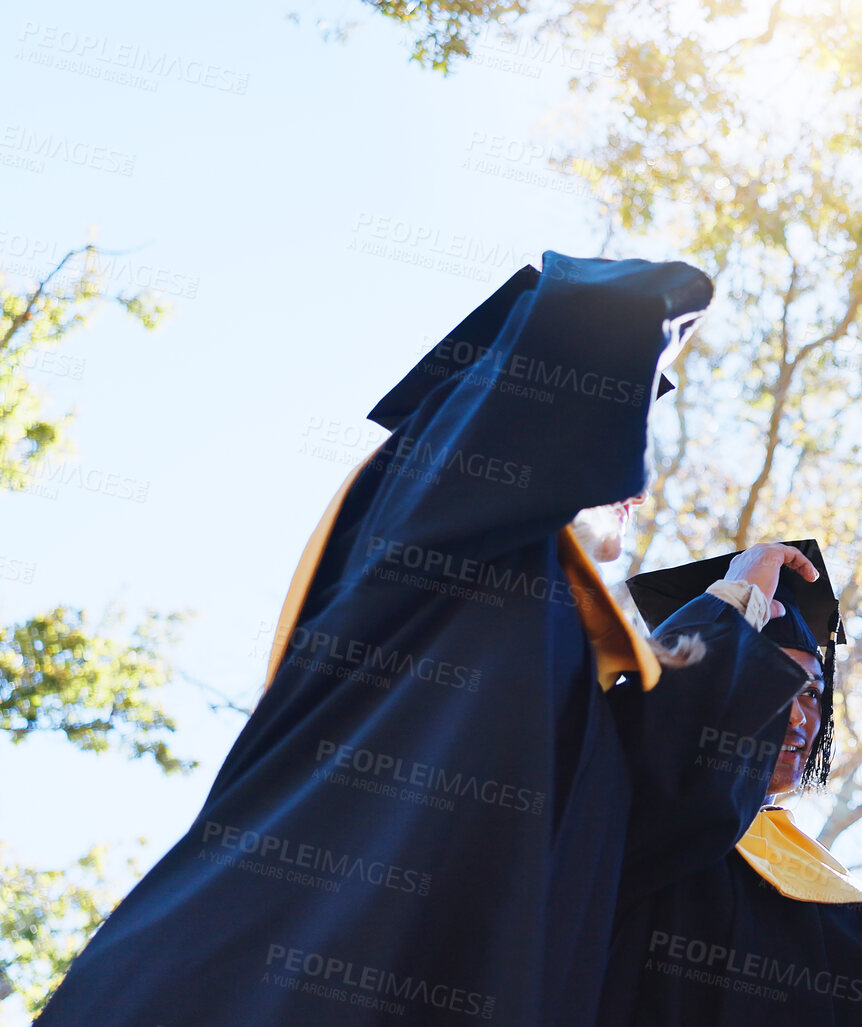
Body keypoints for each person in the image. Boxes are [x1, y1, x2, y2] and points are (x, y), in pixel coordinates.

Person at [40, 254, 712, 1026]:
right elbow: (560, 357)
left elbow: (673, 813)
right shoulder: (445, 533)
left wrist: (739, 603)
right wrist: (651, 306)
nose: (635, 477)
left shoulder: (571, 662)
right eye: (620, 414)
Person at [596, 539, 862, 1025]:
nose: (795, 716)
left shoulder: (857, 923)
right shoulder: (622, 833)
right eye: (767, 680)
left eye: (810, 691)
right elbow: (646, 744)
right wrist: (740, 597)